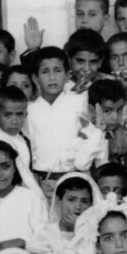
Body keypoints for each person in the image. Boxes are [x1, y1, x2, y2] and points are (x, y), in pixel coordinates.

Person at [28, 47, 103, 175]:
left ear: (67, 75)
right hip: (39, 176)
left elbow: (90, 134)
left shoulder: (80, 102)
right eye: (45, 72)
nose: (52, 77)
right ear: (35, 79)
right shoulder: (29, 109)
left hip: (73, 174)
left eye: (57, 71)